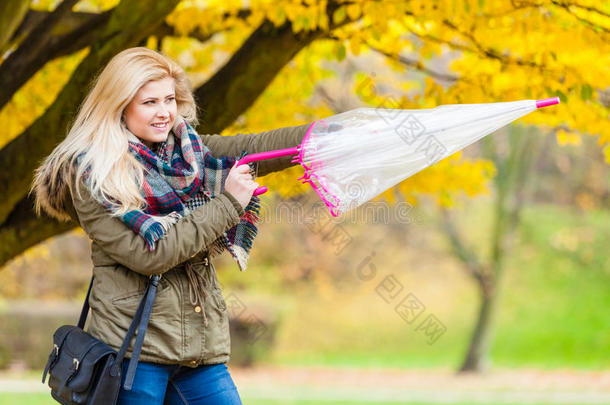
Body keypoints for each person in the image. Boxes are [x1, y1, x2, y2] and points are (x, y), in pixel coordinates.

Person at [30, 47, 310, 404]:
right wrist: (228, 203)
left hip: (198, 352)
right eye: (149, 102)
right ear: (119, 105)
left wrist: (328, 135)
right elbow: (153, 256)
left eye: (169, 99)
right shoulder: (92, 173)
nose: (164, 112)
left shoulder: (189, 152)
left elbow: (257, 148)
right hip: (133, 357)